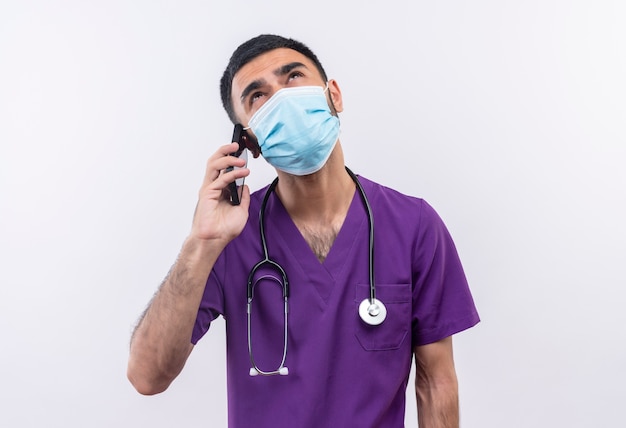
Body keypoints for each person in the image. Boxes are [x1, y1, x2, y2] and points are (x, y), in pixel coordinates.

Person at [127, 34, 480, 428]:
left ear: (334, 96)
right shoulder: (230, 237)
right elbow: (147, 377)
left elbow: (435, 383)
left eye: (293, 76)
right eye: (257, 96)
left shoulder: (414, 226)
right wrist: (201, 243)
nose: (280, 99)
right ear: (249, 141)